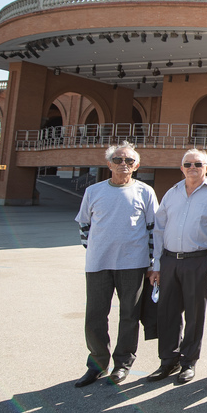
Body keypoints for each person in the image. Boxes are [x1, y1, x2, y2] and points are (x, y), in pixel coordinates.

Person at [74, 143, 158, 387]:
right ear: (109, 164)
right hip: (98, 264)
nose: (124, 164)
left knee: (129, 315)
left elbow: (154, 230)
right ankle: (97, 364)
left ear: (137, 165)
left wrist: (152, 264)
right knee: (95, 315)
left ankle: (123, 364)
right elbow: (84, 225)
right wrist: (97, 249)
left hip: (134, 264)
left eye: (129, 161)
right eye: (118, 160)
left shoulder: (145, 192)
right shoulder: (93, 191)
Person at [149, 149, 207, 385]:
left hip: (198, 261)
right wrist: (157, 263)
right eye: (188, 164)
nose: (193, 167)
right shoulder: (171, 193)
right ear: (181, 168)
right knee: (167, 312)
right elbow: (159, 229)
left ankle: (188, 362)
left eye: (198, 164)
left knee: (194, 314)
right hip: (169, 260)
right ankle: (167, 360)